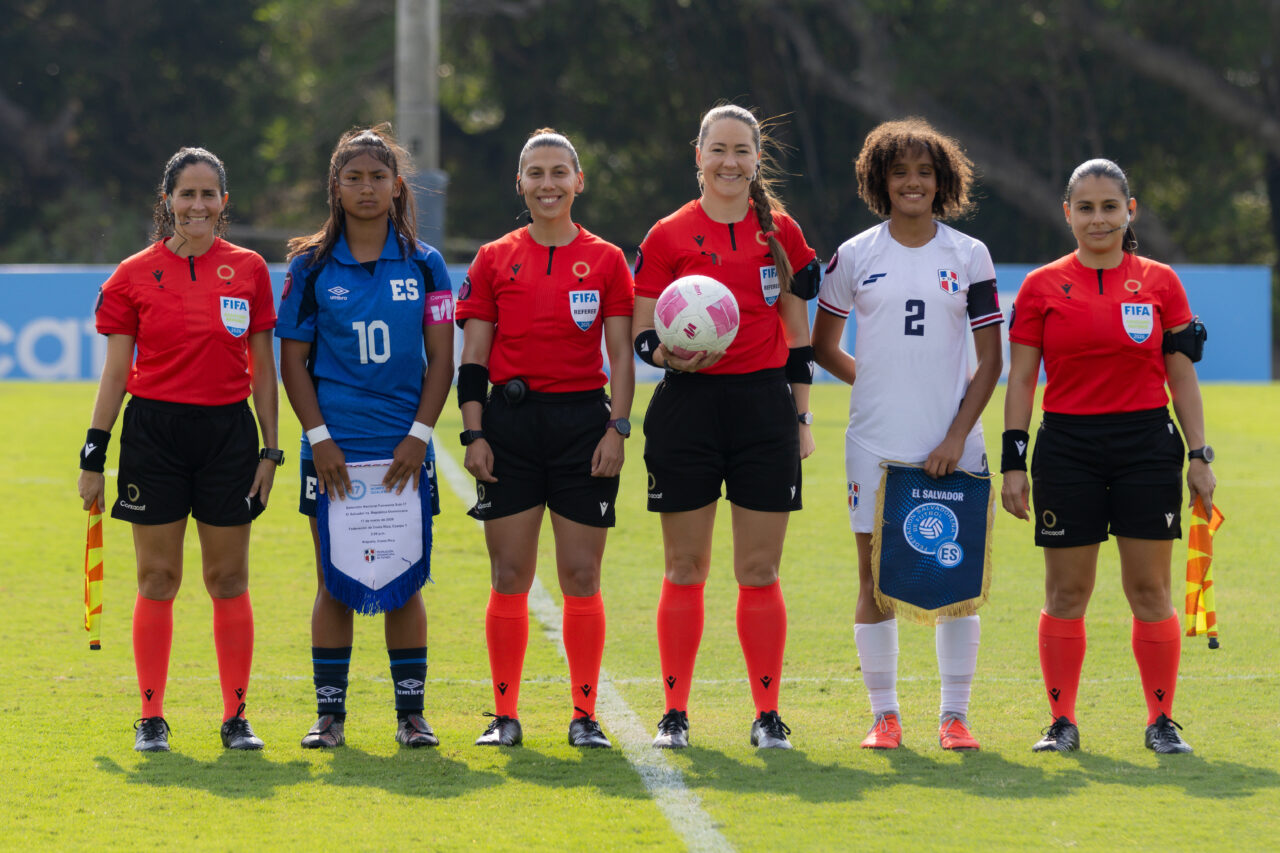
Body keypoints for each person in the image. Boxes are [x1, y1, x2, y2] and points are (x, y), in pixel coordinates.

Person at [1001, 158, 1215, 754]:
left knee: (1150, 592)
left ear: (1130, 212)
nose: (1099, 219)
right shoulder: (1042, 286)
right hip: (1066, 447)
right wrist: (1013, 462)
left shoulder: (1161, 282)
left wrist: (1200, 454)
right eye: (1086, 208)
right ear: (1067, 213)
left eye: (1110, 207)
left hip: (1147, 447)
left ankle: (1162, 721)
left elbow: (1182, 377)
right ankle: (1062, 722)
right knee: (1067, 594)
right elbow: (1021, 381)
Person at [631, 104, 821, 750]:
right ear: (699, 156)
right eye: (719, 150)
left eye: (742, 151)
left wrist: (801, 417)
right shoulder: (666, 236)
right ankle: (674, 713)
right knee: (685, 566)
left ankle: (767, 715)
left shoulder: (783, 233)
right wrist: (668, 352)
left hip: (764, 410)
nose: (730, 162)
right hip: (688, 407)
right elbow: (640, 336)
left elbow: (798, 338)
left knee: (760, 569)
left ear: (756, 161)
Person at [78, 147, 279, 753]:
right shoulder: (132, 274)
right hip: (153, 436)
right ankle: (152, 717)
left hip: (228, 436)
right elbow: (115, 375)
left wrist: (270, 452)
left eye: (208, 194)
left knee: (227, 578)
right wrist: (94, 455)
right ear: (167, 201)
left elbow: (263, 372)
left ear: (224, 202)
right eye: (186, 194)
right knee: (158, 577)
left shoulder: (248, 269)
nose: (197, 205)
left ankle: (236, 717)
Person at [812, 119, 1004, 751]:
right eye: (900, 172)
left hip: (954, 448)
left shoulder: (969, 254)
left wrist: (954, 437)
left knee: (955, 584)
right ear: (880, 180)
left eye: (924, 172)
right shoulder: (854, 255)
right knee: (875, 582)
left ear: (942, 180)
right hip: (873, 444)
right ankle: (885, 715)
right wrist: (875, 383)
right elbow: (823, 347)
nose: (912, 182)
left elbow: (992, 361)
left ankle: (955, 716)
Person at [276, 125, 455, 749]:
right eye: (353, 177)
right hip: (335, 452)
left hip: (402, 450)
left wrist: (420, 436)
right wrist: (320, 438)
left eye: (378, 176)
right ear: (336, 186)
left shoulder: (427, 265)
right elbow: (291, 363)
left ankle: (411, 716)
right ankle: (330, 717)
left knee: (405, 578)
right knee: (334, 578)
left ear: (397, 185)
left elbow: (443, 362)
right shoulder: (311, 266)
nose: (366, 187)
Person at [456, 128, 635, 748]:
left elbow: (620, 354)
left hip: (584, 429)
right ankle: (505, 716)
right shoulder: (492, 258)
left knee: (581, 576)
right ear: (520, 183)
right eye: (536, 173)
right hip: (508, 429)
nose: (548, 183)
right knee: (509, 574)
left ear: (578, 181)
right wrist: (474, 433)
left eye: (560, 172)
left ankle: (584, 717)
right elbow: (473, 358)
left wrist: (617, 427)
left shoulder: (609, 260)